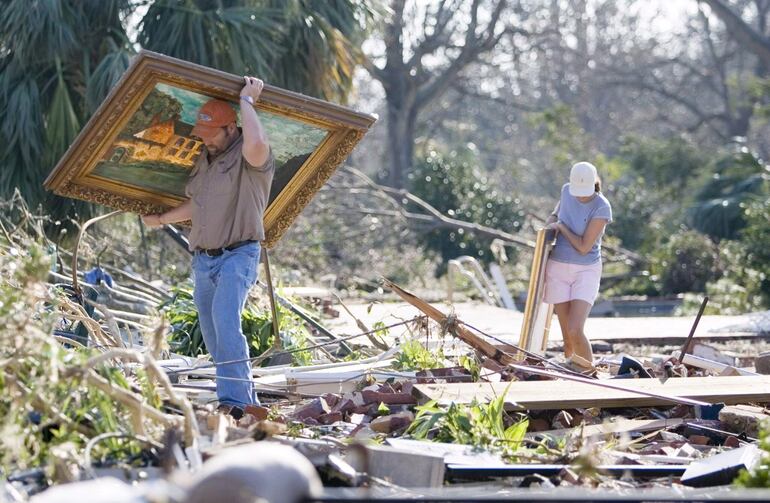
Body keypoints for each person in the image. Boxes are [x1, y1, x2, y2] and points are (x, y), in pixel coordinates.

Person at [143, 77, 274, 418]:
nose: (205, 141)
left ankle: (233, 403)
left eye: (211, 133)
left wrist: (247, 100)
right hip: (204, 259)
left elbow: (256, 140)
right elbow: (199, 203)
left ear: (231, 128)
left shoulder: (253, 159)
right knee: (213, 332)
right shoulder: (206, 158)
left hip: (238, 253)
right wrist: (162, 219)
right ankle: (245, 400)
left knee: (225, 320)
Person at [543, 161, 612, 372]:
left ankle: (590, 375)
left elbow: (583, 247)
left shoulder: (602, 207)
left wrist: (562, 227)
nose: (579, 196)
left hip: (586, 269)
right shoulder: (566, 191)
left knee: (575, 329)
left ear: (594, 184)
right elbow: (556, 214)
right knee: (567, 339)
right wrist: (549, 224)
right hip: (558, 268)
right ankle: (572, 377)